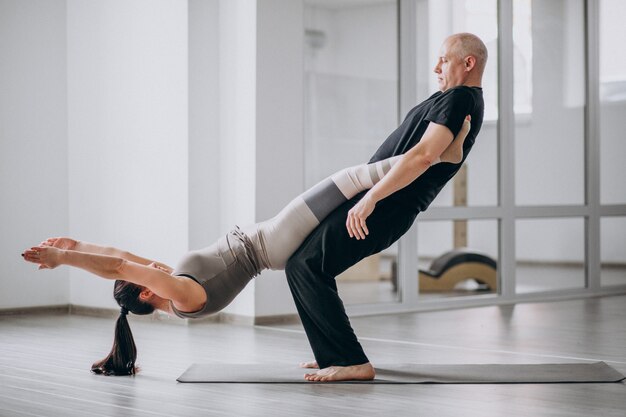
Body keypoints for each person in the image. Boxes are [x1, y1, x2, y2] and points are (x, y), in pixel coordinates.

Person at [20, 119, 470, 377]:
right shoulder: (183, 298)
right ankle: (439, 159)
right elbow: (120, 264)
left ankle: (431, 161)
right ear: (143, 293)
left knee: (350, 183)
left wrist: (76, 243)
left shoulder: (173, 285)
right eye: (140, 277)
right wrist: (63, 260)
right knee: (349, 181)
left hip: (269, 238)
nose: (146, 266)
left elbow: (121, 255)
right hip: (269, 242)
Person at [285, 32, 488, 382]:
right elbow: (432, 152)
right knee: (305, 265)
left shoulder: (459, 99)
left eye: (444, 59)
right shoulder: (451, 98)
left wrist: (371, 198)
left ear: (468, 63)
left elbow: (424, 157)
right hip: (381, 201)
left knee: (306, 265)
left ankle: (351, 361)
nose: (436, 66)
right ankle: (333, 354)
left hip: (387, 206)